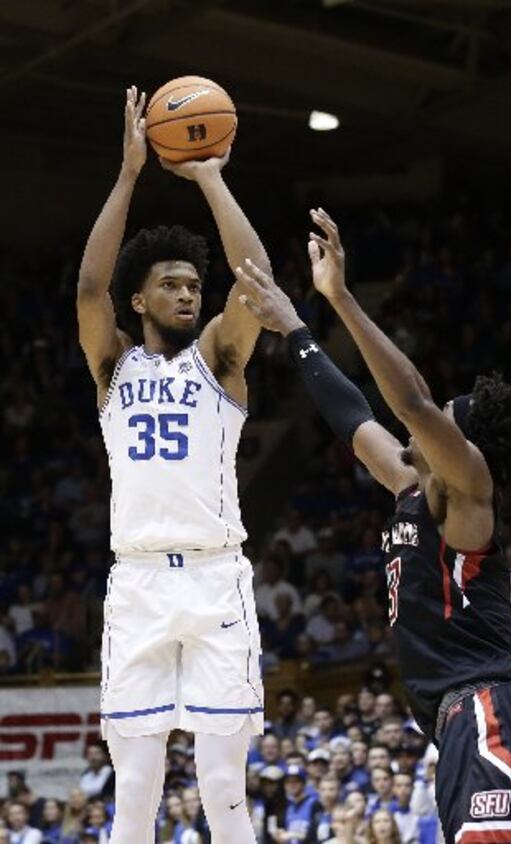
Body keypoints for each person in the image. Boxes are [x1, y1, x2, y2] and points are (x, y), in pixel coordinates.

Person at [234, 208, 511, 842]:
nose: (422, 426)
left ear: (464, 445)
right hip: (480, 718)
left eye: (442, 421)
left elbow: (410, 399)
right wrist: (294, 325)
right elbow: (350, 413)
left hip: (487, 711)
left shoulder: (470, 494)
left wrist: (341, 298)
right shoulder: (410, 485)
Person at [77, 86, 271, 844]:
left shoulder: (221, 360)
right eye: (172, 284)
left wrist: (212, 177)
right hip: (138, 583)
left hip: (218, 579)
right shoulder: (113, 369)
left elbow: (253, 278)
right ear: (141, 298)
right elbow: (89, 289)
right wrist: (128, 174)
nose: (189, 292)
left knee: (224, 788)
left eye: (193, 284)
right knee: (136, 791)